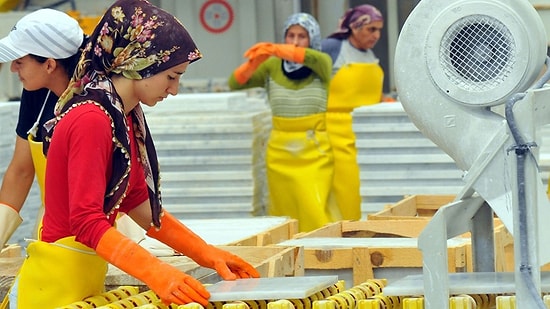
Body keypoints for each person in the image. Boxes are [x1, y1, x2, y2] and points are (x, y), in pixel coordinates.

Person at [10, 0, 260, 308]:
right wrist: (156, 272)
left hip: (78, 286)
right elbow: (86, 222)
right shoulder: (91, 119)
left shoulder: (122, 117)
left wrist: (207, 254)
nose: (175, 89)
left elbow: (138, 204)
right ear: (137, 64)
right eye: (171, 76)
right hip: (48, 293)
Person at [228, 13, 341, 232]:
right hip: (280, 150)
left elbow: (307, 57)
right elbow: (235, 82)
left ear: (312, 40)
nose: (295, 42)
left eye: (302, 36)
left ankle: (321, 251)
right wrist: (254, 61)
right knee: (283, 210)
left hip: (314, 150)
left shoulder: (322, 63)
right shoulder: (272, 66)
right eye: (291, 36)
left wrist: (272, 49)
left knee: (315, 205)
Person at [0, 8, 87, 249]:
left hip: (105, 239)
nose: (12, 70)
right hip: (52, 237)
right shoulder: (36, 91)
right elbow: (21, 170)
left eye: (19, 62)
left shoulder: (97, 105)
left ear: (49, 65)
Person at [321, 4, 385, 221]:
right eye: (371, 29)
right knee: (345, 189)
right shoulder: (332, 47)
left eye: (379, 30)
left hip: (364, 134)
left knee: (364, 190)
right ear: (355, 27)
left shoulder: (369, 55)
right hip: (336, 134)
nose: (376, 35)